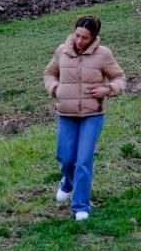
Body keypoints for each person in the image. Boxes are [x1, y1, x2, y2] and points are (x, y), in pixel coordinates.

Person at [43, 15, 126, 221]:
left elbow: (120, 78)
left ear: (94, 38)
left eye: (85, 38)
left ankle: (80, 205)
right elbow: (49, 73)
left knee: (83, 161)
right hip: (66, 113)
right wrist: (56, 89)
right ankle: (68, 183)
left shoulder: (103, 55)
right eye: (77, 35)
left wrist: (108, 89)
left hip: (92, 114)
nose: (80, 41)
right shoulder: (62, 51)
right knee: (65, 157)